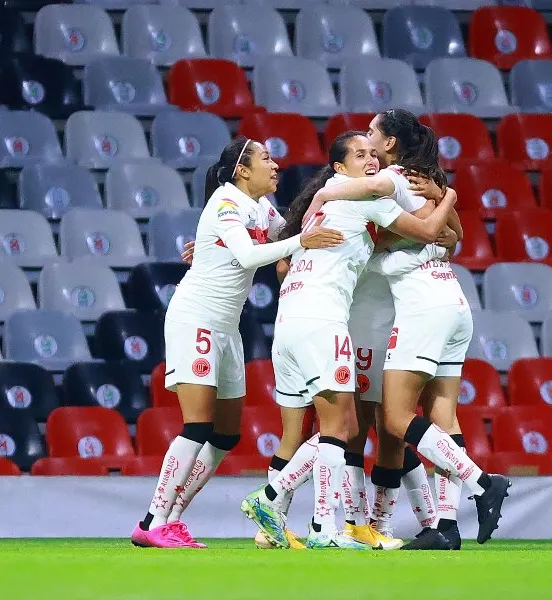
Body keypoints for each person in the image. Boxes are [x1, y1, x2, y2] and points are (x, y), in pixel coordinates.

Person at [241, 131, 458, 549]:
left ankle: (323, 526)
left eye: (373, 154)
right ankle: (271, 499)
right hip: (323, 320)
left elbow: (285, 260)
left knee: (341, 425)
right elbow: (432, 231)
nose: (372, 160)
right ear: (340, 168)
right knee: (341, 426)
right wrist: (447, 194)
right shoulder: (365, 201)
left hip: (288, 322)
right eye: (360, 155)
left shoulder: (320, 207)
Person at [308, 109, 512, 546]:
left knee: (396, 420)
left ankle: (481, 483)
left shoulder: (395, 177)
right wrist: (447, 197)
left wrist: (327, 192)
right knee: (442, 416)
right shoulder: (424, 183)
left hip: (418, 309)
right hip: (453, 302)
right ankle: (446, 526)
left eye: (371, 134)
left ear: (390, 144)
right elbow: (452, 236)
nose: (366, 141)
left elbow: (413, 221)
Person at [130, 137, 343, 549]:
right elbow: (250, 256)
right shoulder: (227, 202)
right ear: (242, 170)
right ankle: (152, 520)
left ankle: (173, 517)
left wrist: (328, 198)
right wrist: (302, 242)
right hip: (197, 320)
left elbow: (289, 232)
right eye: (266, 158)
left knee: (226, 434)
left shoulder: (259, 206)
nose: (276, 164)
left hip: (227, 329)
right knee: (197, 425)